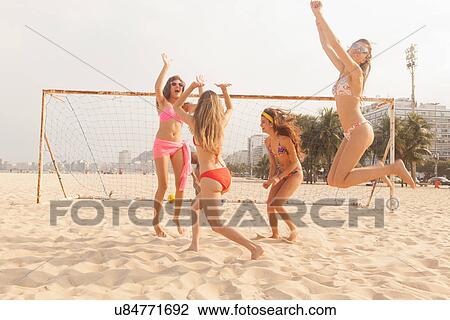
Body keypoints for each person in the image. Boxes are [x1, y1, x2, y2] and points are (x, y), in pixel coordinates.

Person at [310, 0, 415, 188]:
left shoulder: (357, 73)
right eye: (355, 48)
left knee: (341, 181)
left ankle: (393, 168)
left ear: (366, 57)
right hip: (350, 133)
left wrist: (321, 15)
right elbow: (327, 46)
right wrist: (317, 20)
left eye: (363, 51)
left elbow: (335, 42)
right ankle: (381, 169)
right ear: (349, 49)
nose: (357, 52)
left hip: (360, 129)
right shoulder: (343, 69)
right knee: (332, 181)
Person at [173, 78, 264, 260]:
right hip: (223, 174)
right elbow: (230, 108)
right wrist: (224, 91)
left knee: (216, 225)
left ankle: (253, 248)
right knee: (194, 207)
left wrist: (192, 86)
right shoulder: (221, 123)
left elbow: (176, 106)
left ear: (201, 107)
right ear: (216, 107)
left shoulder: (194, 124)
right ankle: (194, 245)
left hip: (210, 178)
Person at [153, 53, 202, 237]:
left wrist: (200, 87)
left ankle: (176, 218)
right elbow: (157, 86)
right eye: (174, 83)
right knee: (163, 186)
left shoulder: (185, 106)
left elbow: (203, 104)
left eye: (181, 84)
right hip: (162, 145)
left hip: (178, 146)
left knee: (181, 185)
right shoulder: (163, 102)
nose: (178, 86)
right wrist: (166, 66)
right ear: (169, 87)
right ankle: (156, 223)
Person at [260, 108, 304, 242]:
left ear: (272, 123)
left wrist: (279, 177)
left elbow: (295, 162)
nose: (260, 125)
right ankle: (275, 234)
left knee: (277, 203)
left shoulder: (284, 139)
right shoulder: (268, 142)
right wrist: (269, 180)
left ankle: (294, 230)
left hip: (295, 173)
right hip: (282, 174)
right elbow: (273, 165)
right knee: (269, 204)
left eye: (263, 122)